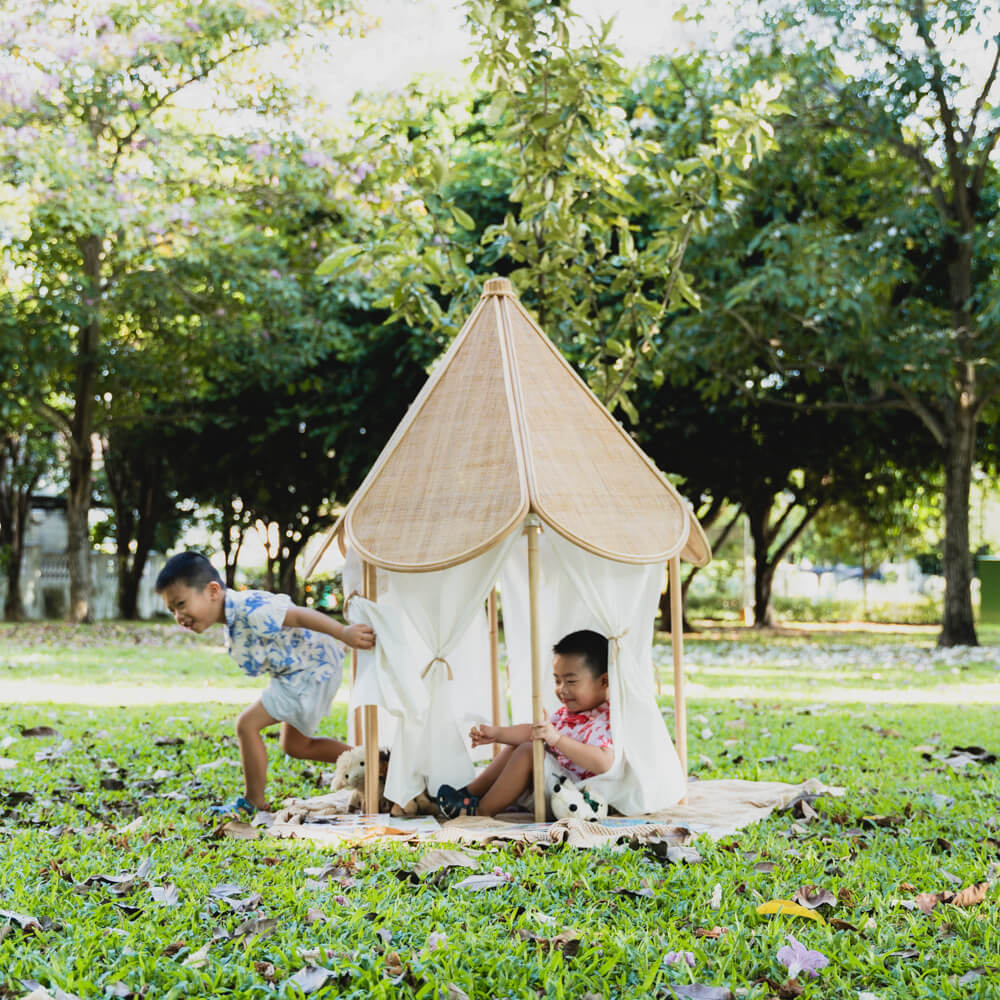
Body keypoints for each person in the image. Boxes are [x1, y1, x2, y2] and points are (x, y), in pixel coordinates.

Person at [155, 551, 375, 817]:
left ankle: (253, 801)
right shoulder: (234, 616)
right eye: (172, 610)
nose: (179, 616)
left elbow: (299, 615)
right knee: (296, 746)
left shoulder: (250, 607)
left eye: (181, 604)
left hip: (306, 673)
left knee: (247, 725)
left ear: (212, 590)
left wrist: (343, 633)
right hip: (300, 673)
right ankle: (371, 762)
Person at [435, 629, 613, 818]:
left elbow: (603, 763)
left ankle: (479, 810)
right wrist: (497, 734)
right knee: (521, 745)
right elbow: (533, 732)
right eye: (557, 681)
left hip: (574, 796)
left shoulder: (606, 719)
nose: (562, 689)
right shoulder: (567, 714)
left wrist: (557, 739)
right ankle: (469, 793)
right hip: (551, 783)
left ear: (604, 681)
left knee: (528, 752)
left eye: (570, 681)